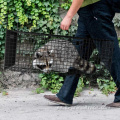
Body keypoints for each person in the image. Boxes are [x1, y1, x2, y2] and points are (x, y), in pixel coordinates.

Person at [44, 0, 120, 107]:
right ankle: (65, 95)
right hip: (87, 11)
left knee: (110, 53)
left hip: (96, 10)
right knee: (78, 54)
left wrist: (69, 16)